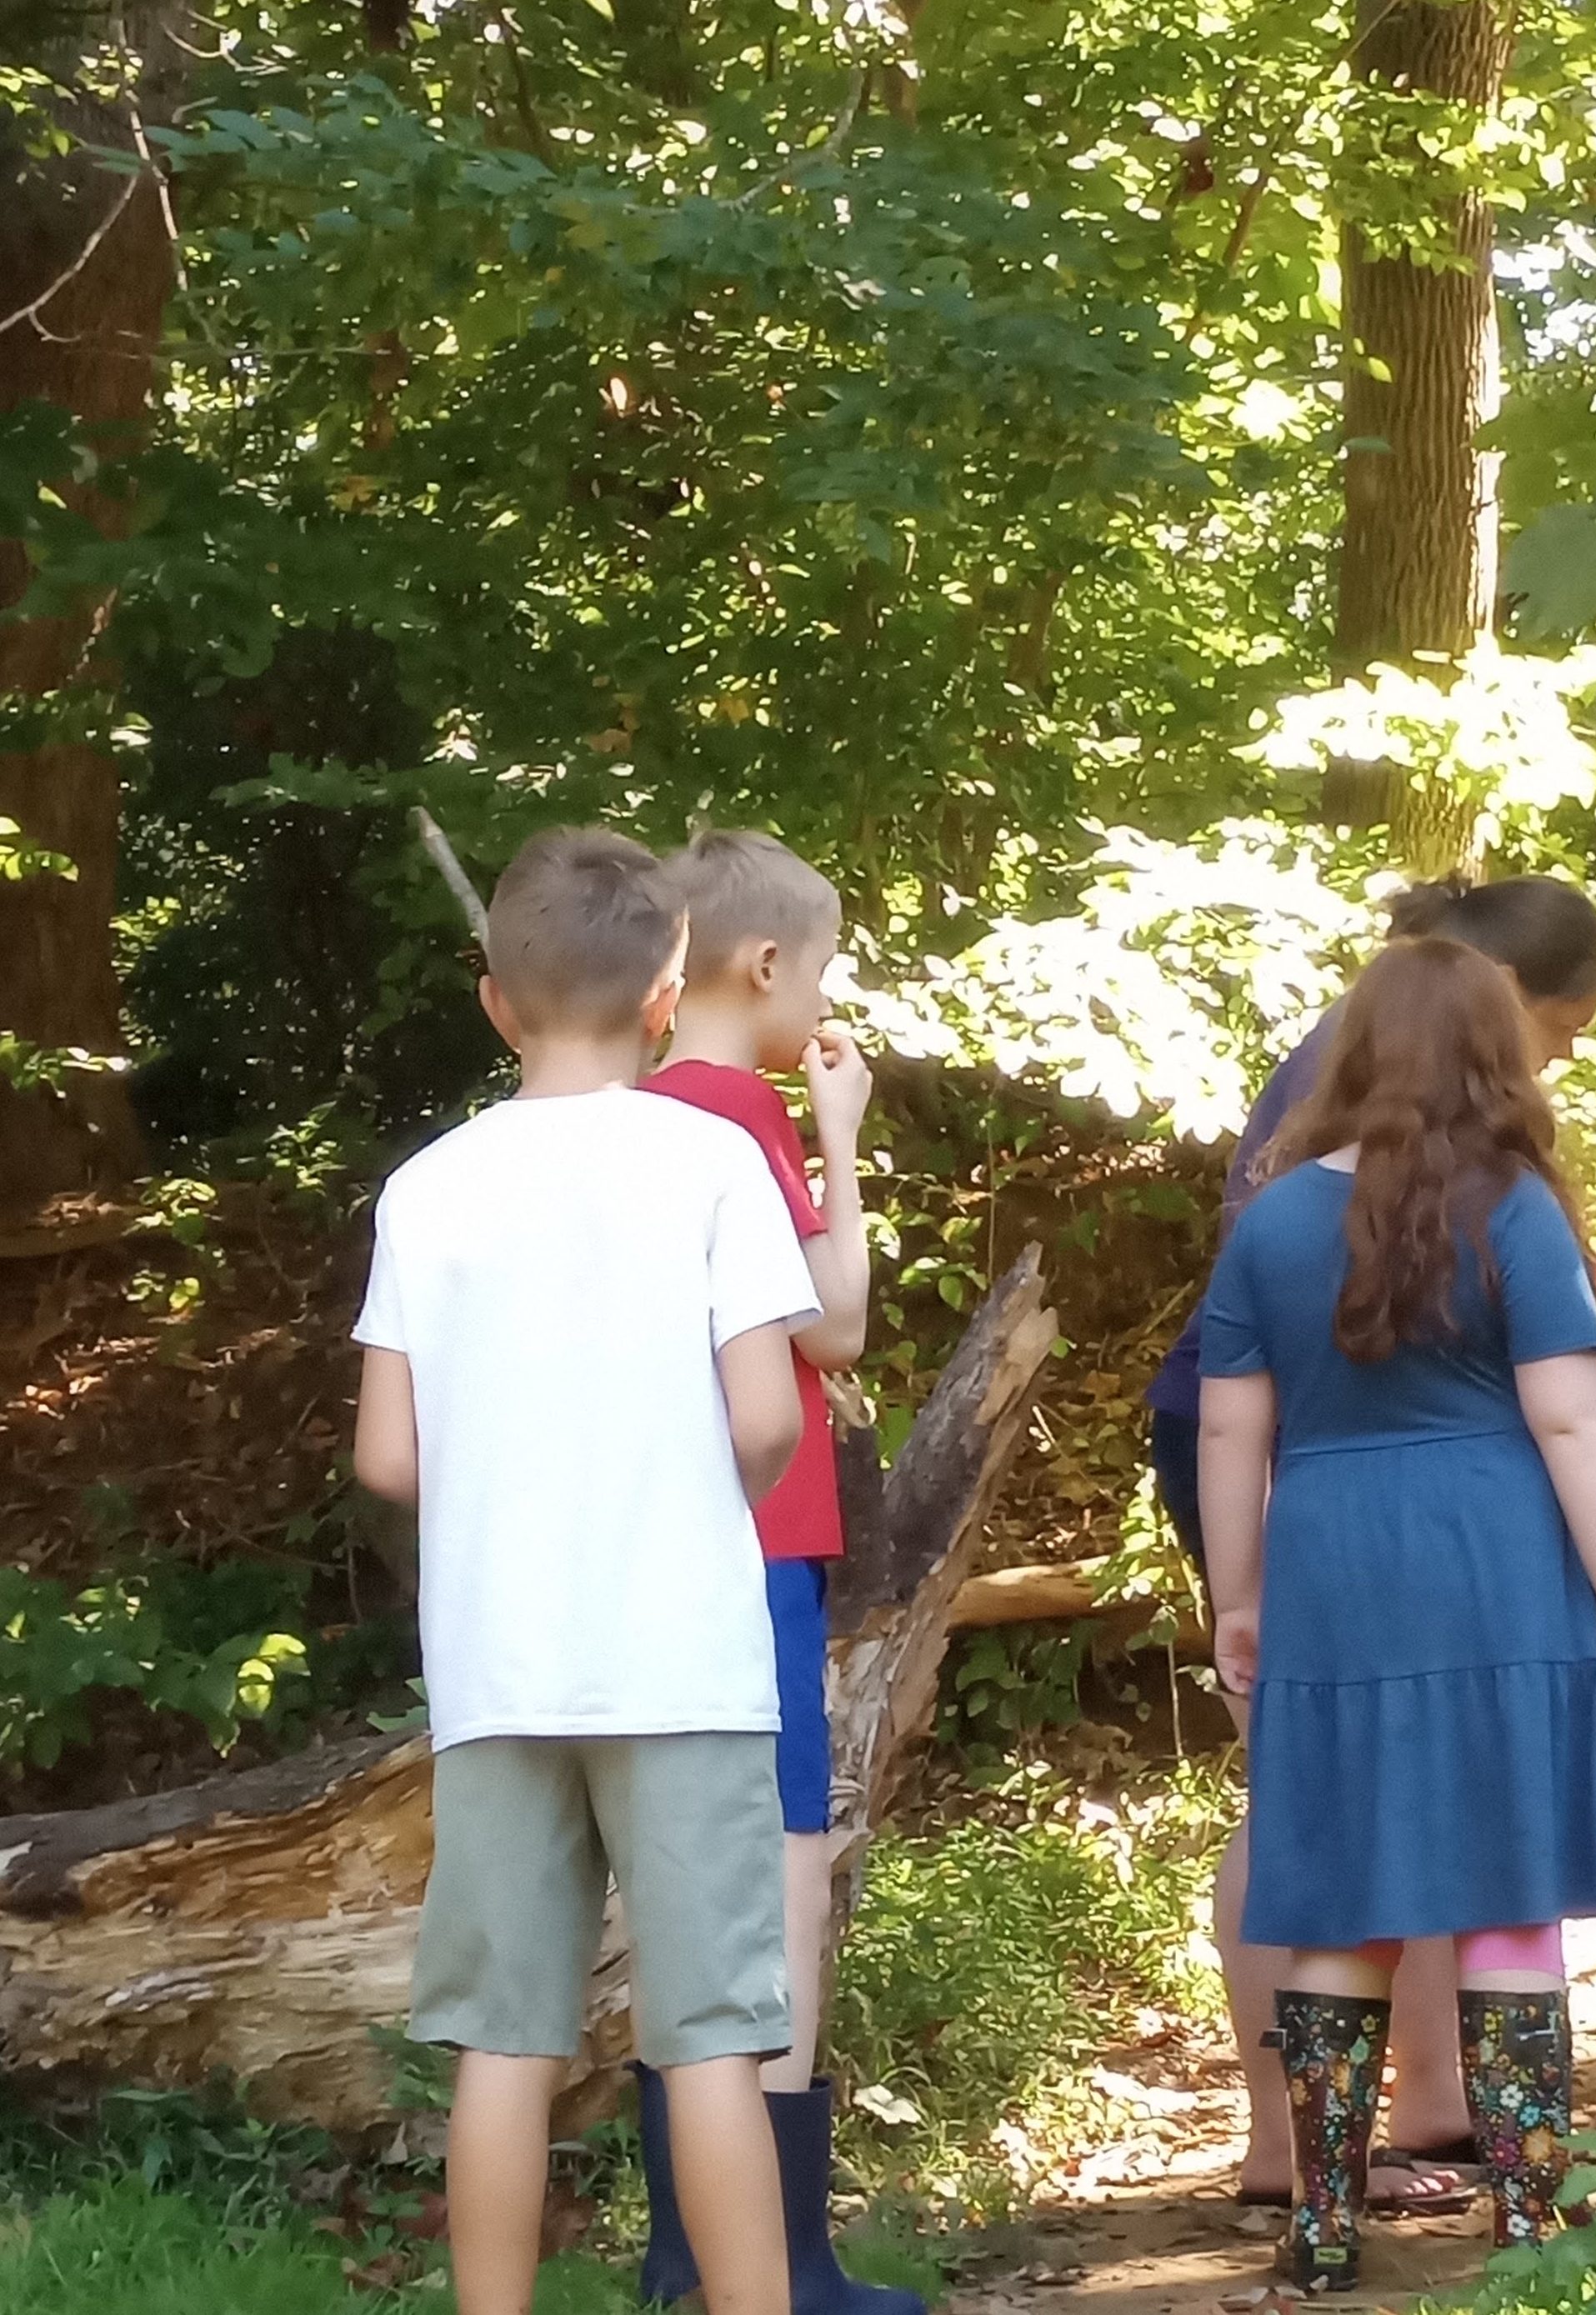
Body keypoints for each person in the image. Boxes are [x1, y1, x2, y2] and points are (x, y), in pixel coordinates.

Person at [1145, 875, 1596, 2208]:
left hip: (1325, 1538)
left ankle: (1321, 2205)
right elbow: (1574, 1417)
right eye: (1563, 1024)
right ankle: (1534, 2208)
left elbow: (1236, 1429)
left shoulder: (1283, 1206)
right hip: (1491, 1545)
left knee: (1328, 1846)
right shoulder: (1516, 1202)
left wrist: (1238, 1592)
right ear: (1497, 1033)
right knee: (1513, 1869)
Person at [352, 827, 819, 2315]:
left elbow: (387, 1458)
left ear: (494, 999)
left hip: (499, 1668)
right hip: (682, 1657)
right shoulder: (712, 1161)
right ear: (669, 992)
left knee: (505, 2039)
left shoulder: (427, 1188)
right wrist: (703, 1498)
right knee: (710, 2042)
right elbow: (763, 1411)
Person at [636, 828, 917, 2315]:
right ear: (762, 967)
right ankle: (785, 2261)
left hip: (666, 1549)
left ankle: (685, 2257)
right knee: (785, 1893)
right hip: (759, 1548)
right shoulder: (743, 1113)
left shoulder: (628, 1109)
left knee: (695, 1888)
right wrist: (844, 1134)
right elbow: (836, 1324)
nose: (825, 998)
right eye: (820, 969)